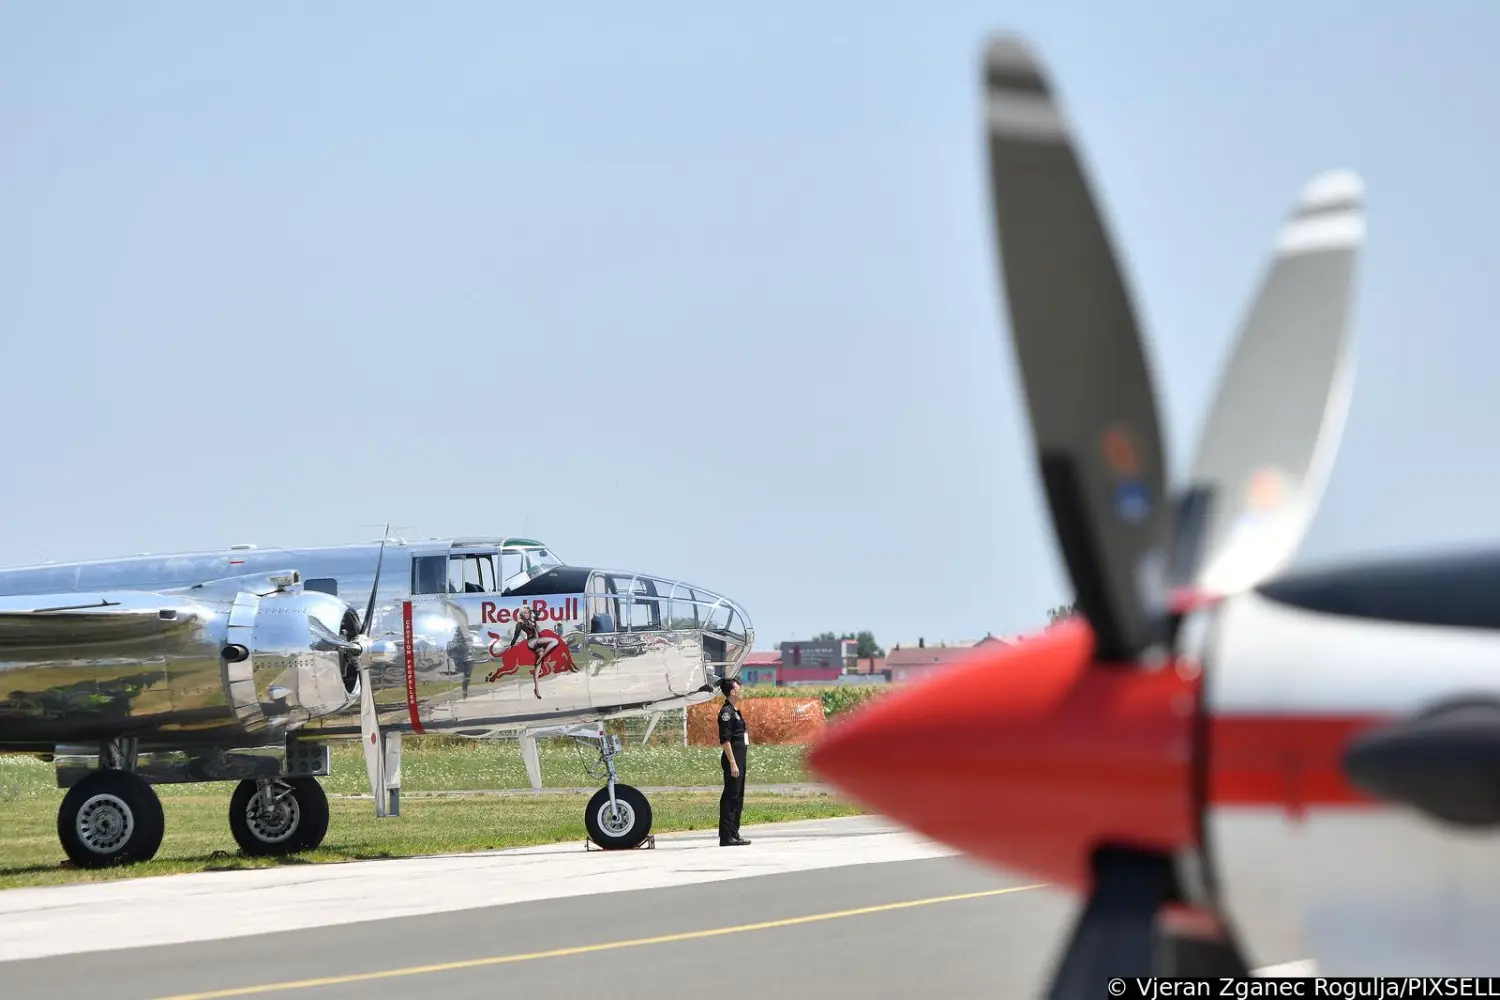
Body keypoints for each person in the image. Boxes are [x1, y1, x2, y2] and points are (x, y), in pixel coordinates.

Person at [717, 677, 751, 846]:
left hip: (740, 759)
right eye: (739, 688)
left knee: (738, 796)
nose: (741, 691)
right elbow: (725, 740)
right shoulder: (726, 712)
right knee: (731, 796)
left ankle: (734, 833)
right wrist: (732, 763)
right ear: (732, 691)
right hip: (733, 760)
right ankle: (726, 836)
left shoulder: (736, 711)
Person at [509, 605, 559, 699]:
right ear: (521, 615)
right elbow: (516, 635)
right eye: (524, 613)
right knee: (554, 641)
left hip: (539, 644)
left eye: (527, 612)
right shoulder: (520, 624)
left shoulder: (532, 620)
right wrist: (511, 645)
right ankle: (541, 657)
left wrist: (530, 611)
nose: (526, 614)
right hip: (532, 642)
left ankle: (537, 690)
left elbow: (538, 612)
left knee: (538, 667)